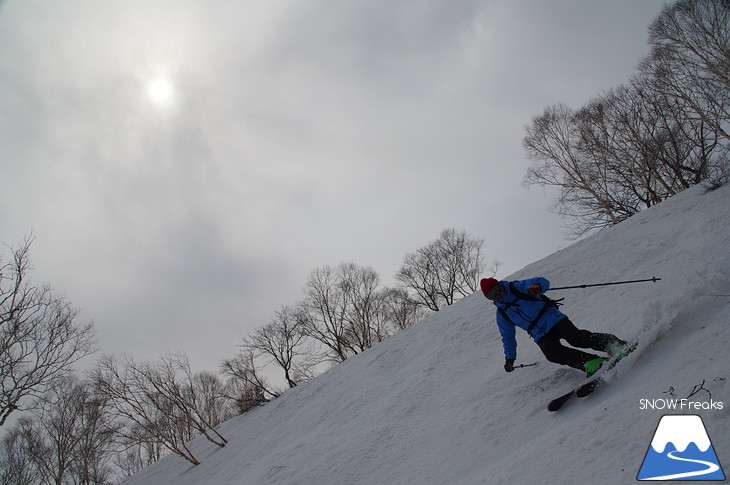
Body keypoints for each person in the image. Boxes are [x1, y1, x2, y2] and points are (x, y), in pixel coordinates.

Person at [480, 276, 632, 375]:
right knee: (552, 353)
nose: (497, 296)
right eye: (491, 295)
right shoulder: (502, 313)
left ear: (500, 285)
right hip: (539, 333)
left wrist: (538, 287)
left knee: (575, 338)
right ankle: (591, 362)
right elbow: (507, 337)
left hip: (551, 318)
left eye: (497, 290)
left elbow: (542, 281)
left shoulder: (517, 287)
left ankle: (615, 345)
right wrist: (510, 359)